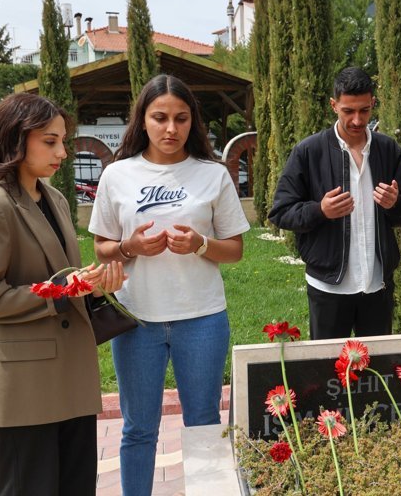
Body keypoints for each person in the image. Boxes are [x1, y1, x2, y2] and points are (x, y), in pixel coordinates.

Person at [89, 74, 250, 496]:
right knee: (138, 428)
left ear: (192, 121)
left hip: (202, 319)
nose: (170, 128)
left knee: (204, 424)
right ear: (142, 120)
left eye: (181, 118)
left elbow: (235, 250)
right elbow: (102, 249)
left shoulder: (213, 175)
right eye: (159, 117)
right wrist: (130, 246)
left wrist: (200, 245)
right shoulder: (117, 175)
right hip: (136, 319)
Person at [0, 92, 126, 495]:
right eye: (50, 141)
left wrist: (93, 285)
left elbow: (64, 277)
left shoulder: (56, 200)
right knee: (30, 487)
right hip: (25, 381)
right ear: (16, 139)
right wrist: (65, 291)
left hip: (70, 371)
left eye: (62, 141)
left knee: (76, 485)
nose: (62, 153)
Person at [269, 67, 401, 340]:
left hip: (377, 286)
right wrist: (320, 210)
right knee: (327, 365)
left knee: (376, 365)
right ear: (334, 105)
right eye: (348, 111)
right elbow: (281, 212)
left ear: (373, 103)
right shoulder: (308, 151)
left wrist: (395, 204)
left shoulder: (389, 150)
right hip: (327, 287)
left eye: (364, 110)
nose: (357, 120)